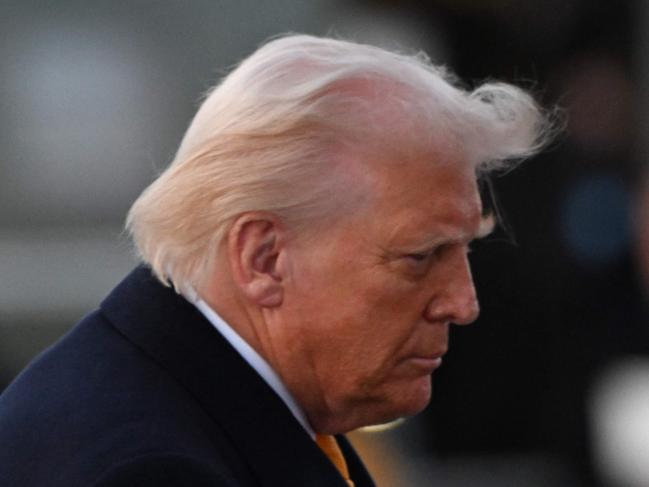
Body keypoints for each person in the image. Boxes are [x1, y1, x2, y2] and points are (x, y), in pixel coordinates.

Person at [0, 34, 551, 486]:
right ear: (263, 260)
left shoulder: (204, 405)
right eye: (421, 256)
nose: (464, 302)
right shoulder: (155, 469)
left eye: (464, 248)